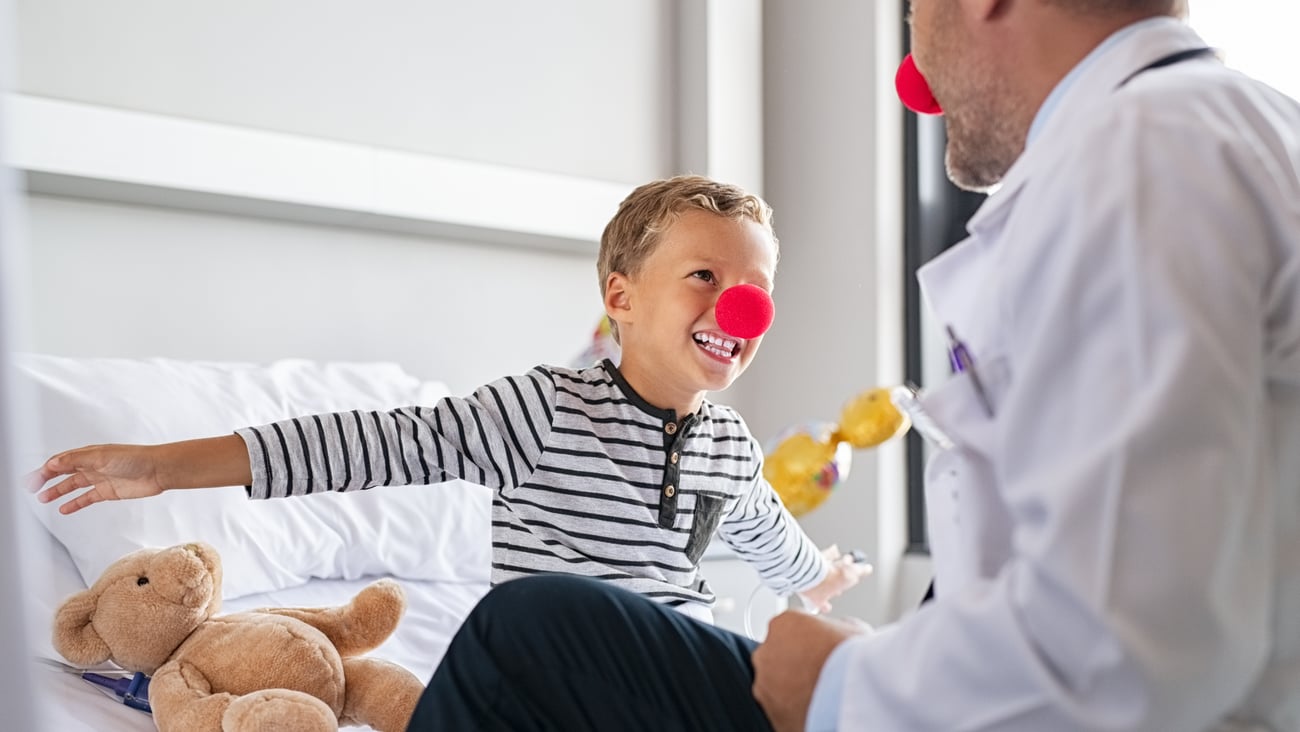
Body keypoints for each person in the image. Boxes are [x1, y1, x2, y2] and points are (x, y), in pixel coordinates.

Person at [393, 2, 1300, 731]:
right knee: (553, 620)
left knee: (532, 633)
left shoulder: (1136, 160)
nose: (919, 54)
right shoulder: (1241, 128)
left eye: (916, 13)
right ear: (621, 295)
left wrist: (842, 682)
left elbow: (1121, 647)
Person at [29, 174, 869, 626]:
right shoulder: (541, 410)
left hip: (677, 652)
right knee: (536, 621)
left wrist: (818, 579)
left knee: (802, 656)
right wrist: (163, 467)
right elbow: (365, 444)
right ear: (621, 297)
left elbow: (766, 531)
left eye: (757, 288)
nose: (738, 307)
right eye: (705, 278)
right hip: (561, 650)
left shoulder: (729, 445)